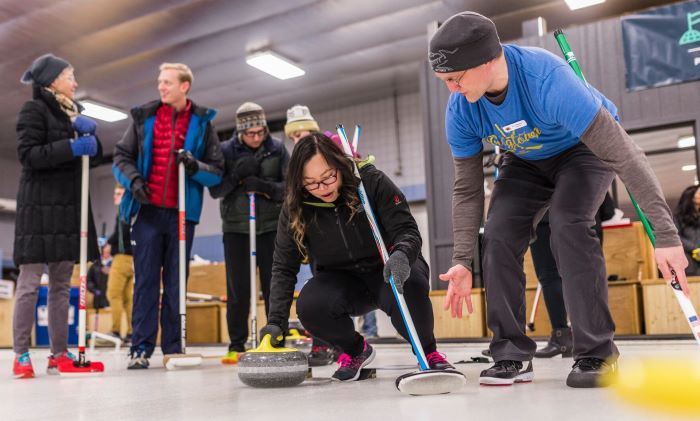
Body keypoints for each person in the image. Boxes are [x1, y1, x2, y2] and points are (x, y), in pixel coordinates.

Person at [430, 12, 687, 388]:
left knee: (568, 223)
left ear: (487, 59)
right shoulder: (461, 108)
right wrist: (461, 260)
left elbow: (628, 157)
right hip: (524, 159)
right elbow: (466, 188)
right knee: (498, 234)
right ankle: (510, 353)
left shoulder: (546, 80)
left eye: (455, 78)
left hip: (582, 149)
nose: (451, 89)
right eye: (444, 81)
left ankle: (596, 353)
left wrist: (665, 237)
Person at [260, 133, 455, 382]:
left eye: (328, 177)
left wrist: (402, 254)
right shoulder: (296, 206)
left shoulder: (370, 181)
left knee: (410, 285)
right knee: (310, 306)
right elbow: (283, 266)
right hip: (341, 280)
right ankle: (354, 350)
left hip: (387, 267)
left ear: (340, 165)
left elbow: (406, 229)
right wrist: (276, 322)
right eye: (311, 183)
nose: (323, 188)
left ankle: (428, 353)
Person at [113, 63, 224, 369]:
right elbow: (120, 156)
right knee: (146, 281)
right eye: (159, 81)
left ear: (184, 86)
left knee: (177, 282)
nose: (161, 87)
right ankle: (140, 348)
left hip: (181, 216)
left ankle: (174, 347)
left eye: (167, 82)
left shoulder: (202, 124)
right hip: (147, 213)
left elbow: (217, 173)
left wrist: (194, 167)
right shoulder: (144, 117)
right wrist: (134, 181)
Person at [13, 53, 102, 379]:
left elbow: (91, 158)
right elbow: (28, 155)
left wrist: (93, 140)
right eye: (70, 76)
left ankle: (59, 354)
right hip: (37, 210)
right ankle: (21, 354)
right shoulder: (33, 110)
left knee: (62, 286)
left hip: (67, 210)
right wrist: (70, 145)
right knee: (29, 283)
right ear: (51, 80)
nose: (75, 82)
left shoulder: (74, 113)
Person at [210, 102, 288, 364]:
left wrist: (263, 186)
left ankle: (276, 340)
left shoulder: (276, 147)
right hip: (236, 228)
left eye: (260, 132)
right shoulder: (224, 151)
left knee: (273, 286)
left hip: (269, 227)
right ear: (240, 131)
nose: (256, 138)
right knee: (238, 289)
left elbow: (290, 187)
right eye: (250, 133)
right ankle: (236, 344)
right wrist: (236, 176)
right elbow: (215, 190)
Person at [105, 184, 134, 342]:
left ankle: (116, 330)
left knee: (113, 294)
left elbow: (119, 233)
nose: (115, 196)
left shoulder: (122, 210)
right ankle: (131, 332)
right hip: (132, 259)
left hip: (122, 259)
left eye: (118, 193)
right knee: (127, 298)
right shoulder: (132, 209)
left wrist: (108, 243)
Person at [674, 185, 700, 276]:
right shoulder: (678, 217)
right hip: (688, 261)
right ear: (691, 197)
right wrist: (694, 249)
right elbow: (676, 236)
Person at [87, 239, 111, 312]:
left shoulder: (115, 266)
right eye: (105, 252)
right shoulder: (95, 266)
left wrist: (111, 272)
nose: (107, 254)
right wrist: (95, 291)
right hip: (98, 302)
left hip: (111, 301)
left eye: (109, 252)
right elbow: (88, 281)